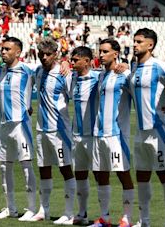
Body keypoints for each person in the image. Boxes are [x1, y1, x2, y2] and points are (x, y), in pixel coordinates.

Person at [0, 37, 37, 221]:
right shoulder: (0, 71)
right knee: (3, 166)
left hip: (20, 123)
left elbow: (49, 70)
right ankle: (10, 208)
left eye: (8, 49)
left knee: (26, 165)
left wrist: (64, 63)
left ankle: (32, 208)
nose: (3, 52)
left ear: (18, 52)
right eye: (2, 49)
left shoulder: (28, 70)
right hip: (4, 124)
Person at [29, 37, 76, 225]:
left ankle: (69, 212)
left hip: (60, 130)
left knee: (65, 169)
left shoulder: (64, 73)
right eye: (41, 54)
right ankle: (44, 209)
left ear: (55, 54)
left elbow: (74, 95)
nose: (44, 57)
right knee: (44, 169)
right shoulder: (38, 71)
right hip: (41, 128)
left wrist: (66, 63)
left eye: (48, 54)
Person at [129, 28, 165, 227]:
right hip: (140, 131)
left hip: (158, 131)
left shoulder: (160, 67)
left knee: (164, 175)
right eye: (134, 41)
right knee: (142, 176)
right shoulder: (133, 67)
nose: (135, 45)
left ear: (150, 45)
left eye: (139, 41)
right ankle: (143, 220)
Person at [91, 38, 133, 227]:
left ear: (115, 54)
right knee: (101, 174)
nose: (101, 55)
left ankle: (127, 217)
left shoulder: (125, 75)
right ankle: (104, 217)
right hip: (99, 133)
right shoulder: (100, 76)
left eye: (105, 51)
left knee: (123, 174)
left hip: (117, 135)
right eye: (100, 51)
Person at [69, 46, 99, 225]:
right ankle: (82, 213)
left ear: (86, 61)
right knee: (80, 174)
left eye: (75, 60)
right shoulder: (72, 77)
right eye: (71, 60)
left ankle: (105, 214)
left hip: (93, 136)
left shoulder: (98, 77)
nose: (72, 63)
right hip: (76, 135)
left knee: (99, 175)